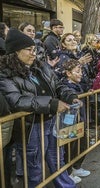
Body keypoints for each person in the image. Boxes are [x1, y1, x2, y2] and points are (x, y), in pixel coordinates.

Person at [0, 28, 82, 187]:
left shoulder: (41, 66)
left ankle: (65, 185)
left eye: (34, 50)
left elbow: (58, 86)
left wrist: (70, 96)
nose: (33, 53)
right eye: (29, 50)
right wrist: (51, 104)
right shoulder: (5, 74)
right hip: (31, 127)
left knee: (57, 157)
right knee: (34, 166)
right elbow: (17, 100)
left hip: (51, 121)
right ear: (15, 52)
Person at [61, 59, 90, 184]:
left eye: (81, 71)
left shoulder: (79, 85)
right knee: (69, 148)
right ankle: (68, 173)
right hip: (69, 123)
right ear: (68, 73)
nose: (80, 73)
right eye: (77, 71)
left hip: (80, 120)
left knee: (82, 144)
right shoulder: (65, 87)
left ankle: (76, 167)